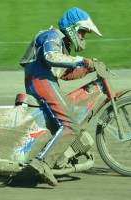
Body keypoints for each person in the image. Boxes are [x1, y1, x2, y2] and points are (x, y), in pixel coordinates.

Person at [19, 7, 102, 186]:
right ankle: (42, 163)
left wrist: (88, 68)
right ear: (72, 28)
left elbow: (64, 74)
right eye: (82, 32)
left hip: (44, 80)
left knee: (64, 120)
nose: (82, 37)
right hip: (40, 80)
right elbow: (51, 57)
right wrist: (82, 60)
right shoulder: (52, 36)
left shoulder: (62, 44)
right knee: (70, 125)